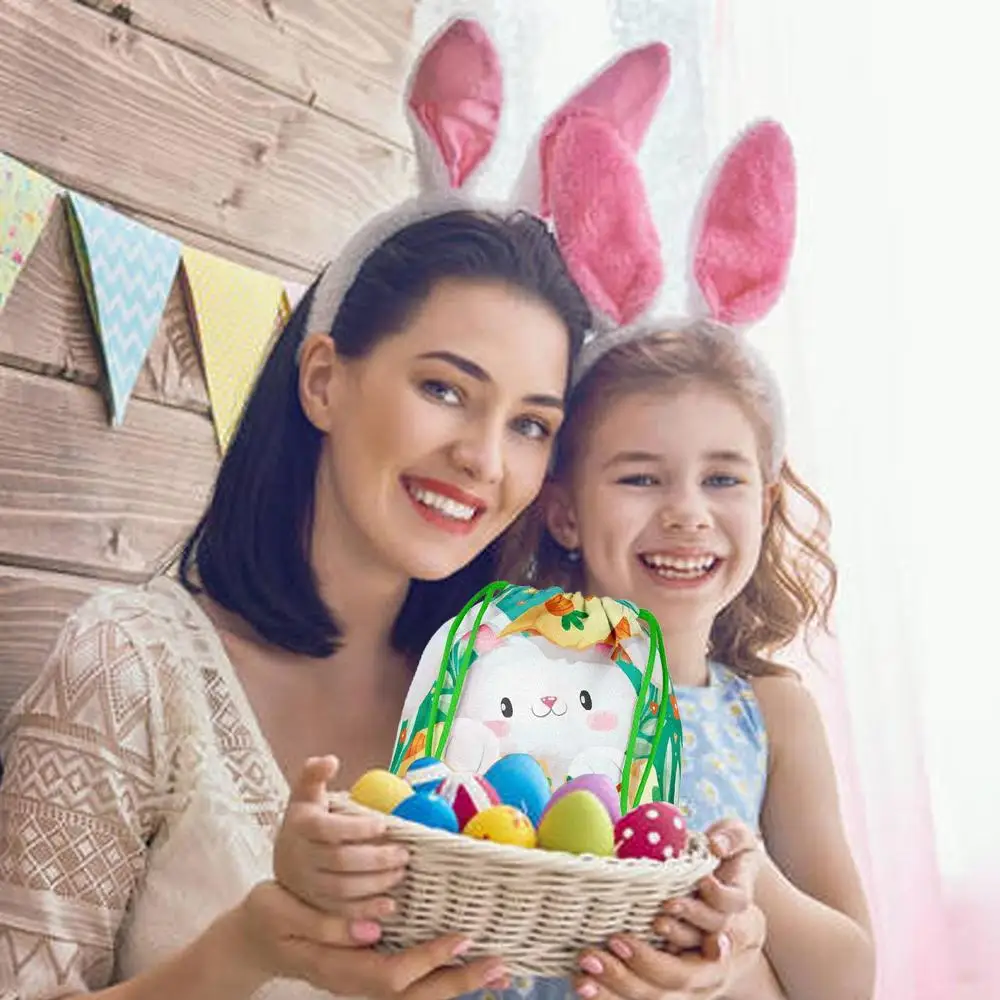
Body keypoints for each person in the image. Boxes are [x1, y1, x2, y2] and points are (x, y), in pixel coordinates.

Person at [0, 16, 686, 1000]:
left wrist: (699, 954)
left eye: (531, 424)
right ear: (323, 379)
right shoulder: (130, 667)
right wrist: (247, 949)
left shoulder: (518, 708)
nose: (483, 458)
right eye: (444, 389)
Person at [519, 319, 875, 1000]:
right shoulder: (507, 688)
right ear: (564, 513)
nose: (687, 512)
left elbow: (848, 981)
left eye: (721, 478)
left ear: (764, 507)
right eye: (640, 478)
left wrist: (748, 877)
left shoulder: (773, 714)